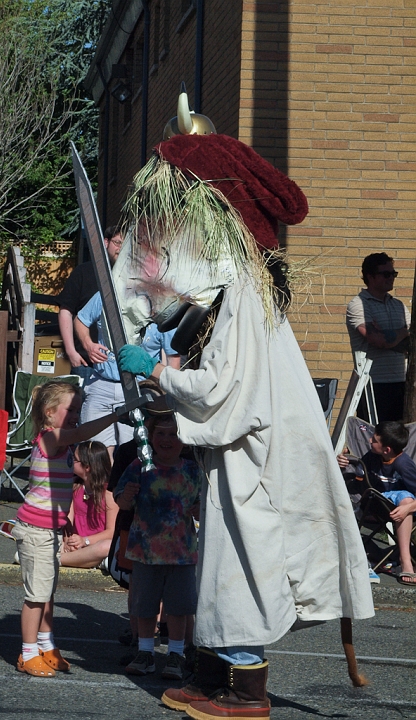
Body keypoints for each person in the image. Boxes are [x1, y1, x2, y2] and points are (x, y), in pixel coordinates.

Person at [112, 88, 373, 719]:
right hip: (239, 454)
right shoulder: (233, 293)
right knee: (223, 567)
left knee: (243, 565)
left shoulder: (244, 297)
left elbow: (222, 392)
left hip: (253, 458)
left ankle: (245, 691)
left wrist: (160, 376)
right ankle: (210, 674)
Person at [11, 380, 130, 677]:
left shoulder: (65, 448)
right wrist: (115, 416)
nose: (77, 413)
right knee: (36, 596)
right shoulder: (50, 437)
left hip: (49, 528)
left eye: (79, 407)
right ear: (50, 413)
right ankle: (27, 652)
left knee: (48, 592)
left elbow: (52, 491)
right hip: (35, 529)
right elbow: (78, 433)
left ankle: (46, 643)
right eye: (72, 408)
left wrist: (66, 523)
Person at [113, 414, 201, 681]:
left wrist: (199, 510)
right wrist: (125, 497)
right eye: (160, 434)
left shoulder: (192, 470)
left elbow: (201, 507)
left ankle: (176, 653)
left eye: (173, 434)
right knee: (144, 605)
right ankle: (145, 652)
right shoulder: (140, 466)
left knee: (178, 607)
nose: (166, 440)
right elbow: (121, 501)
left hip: (181, 552)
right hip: (145, 550)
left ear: (184, 440)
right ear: (149, 437)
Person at [75, 295, 179, 460]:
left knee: (134, 452)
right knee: (94, 455)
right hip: (101, 383)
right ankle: (102, 486)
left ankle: (121, 485)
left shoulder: (164, 303)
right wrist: (88, 345)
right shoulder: (109, 290)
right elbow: (81, 320)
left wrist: (169, 400)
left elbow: (174, 360)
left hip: (138, 388)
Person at [338, 421, 416, 586]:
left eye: (374, 440)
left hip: (399, 509)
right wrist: (343, 462)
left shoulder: (404, 465)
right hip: (374, 502)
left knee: (406, 498)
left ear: (387, 449)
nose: (369, 441)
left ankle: (405, 561)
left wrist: (408, 507)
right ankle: (393, 558)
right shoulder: (373, 455)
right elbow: (360, 473)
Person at [346, 253, 411, 421]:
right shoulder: (359, 304)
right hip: (373, 384)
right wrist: (403, 332)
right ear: (370, 276)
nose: (391, 278)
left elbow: (410, 343)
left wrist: (392, 337)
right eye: (386, 274)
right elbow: (378, 340)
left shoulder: (399, 306)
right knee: (374, 438)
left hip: (401, 382)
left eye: (393, 274)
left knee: (399, 438)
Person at [57, 226, 122, 381]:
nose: (121, 248)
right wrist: (71, 351)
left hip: (119, 366)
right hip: (86, 361)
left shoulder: (129, 277)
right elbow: (65, 311)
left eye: (124, 245)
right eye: (117, 243)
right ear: (106, 242)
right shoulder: (83, 272)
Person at [60, 440, 118, 569]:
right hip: (77, 544)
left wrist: (85, 540)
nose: (70, 461)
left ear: (87, 467)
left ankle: (56, 560)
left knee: (107, 546)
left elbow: (111, 532)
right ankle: (78, 560)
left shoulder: (109, 492)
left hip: (95, 544)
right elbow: (67, 523)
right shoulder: (74, 487)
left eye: (74, 459)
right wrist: (68, 541)